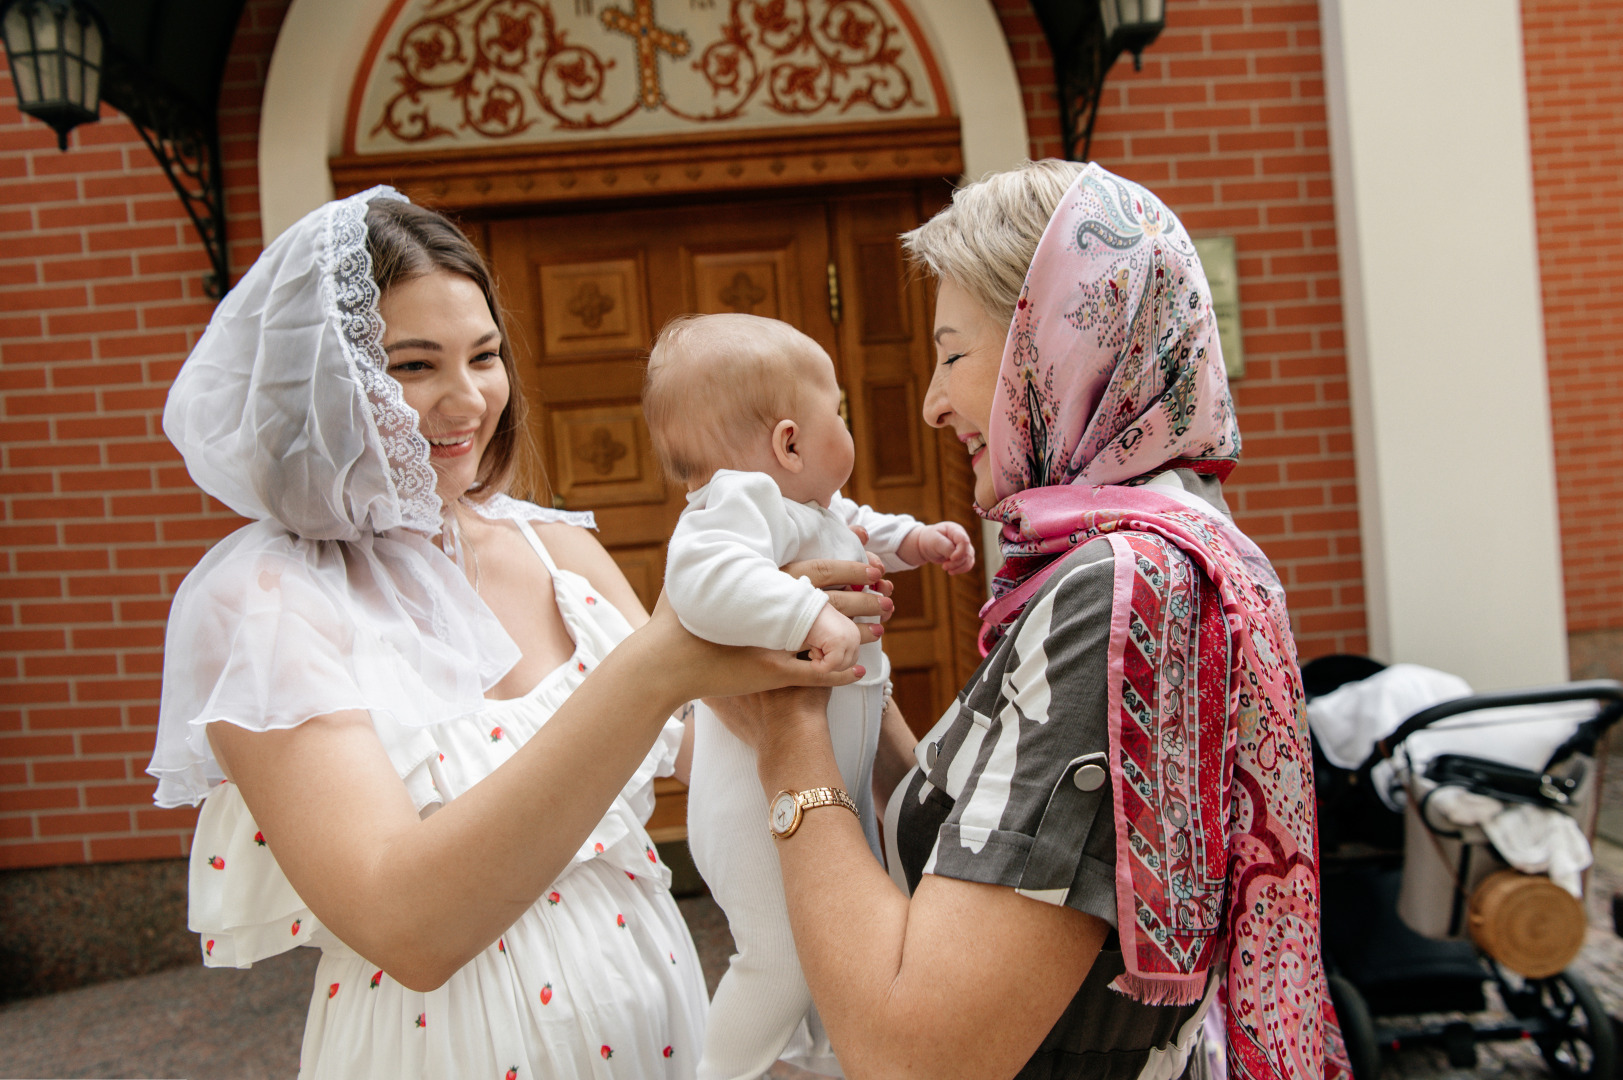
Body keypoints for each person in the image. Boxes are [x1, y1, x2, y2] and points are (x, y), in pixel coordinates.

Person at [145, 188, 878, 1080]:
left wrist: (816, 658)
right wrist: (657, 667)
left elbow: (723, 750)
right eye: (414, 366)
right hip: (447, 1049)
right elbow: (406, 928)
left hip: (659, 1021)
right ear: (321, 380)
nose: (467, 400)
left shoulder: (557, 547)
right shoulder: (263, 603)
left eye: (484, 356)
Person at [704, 161, 1352, 1079]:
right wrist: (839, 674)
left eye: (954, 353)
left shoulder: (1119, 591)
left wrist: (784, 726)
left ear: (1058, 346)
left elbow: (915, 1055)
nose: (930, 400)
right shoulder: (1172, 554)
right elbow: (989, 826)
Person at [643, 313, 974, 1080]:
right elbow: (700, 583)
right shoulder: (735, 504)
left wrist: (915, 541)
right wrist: (805, 613)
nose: (846, 425)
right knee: (783, 958)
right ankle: (724, 1070)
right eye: (840, 413)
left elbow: (861, 529)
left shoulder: (816, 510)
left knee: (846, 939)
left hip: (835, 782)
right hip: (753, 806)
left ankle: (819, 1059)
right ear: (789, 442)